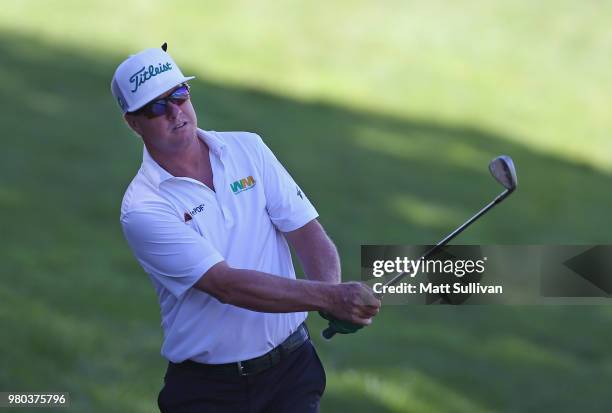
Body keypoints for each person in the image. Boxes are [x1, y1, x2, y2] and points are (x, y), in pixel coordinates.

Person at [111, 44, 381, 413]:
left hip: (292, 371)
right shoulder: (143, 208)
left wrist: (332, 293)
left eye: (179, 94)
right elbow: (226, 285)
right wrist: (330, 298)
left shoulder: (248, 149)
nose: (175, 111)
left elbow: (305, 230)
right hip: (209, 391)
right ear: (133, 123)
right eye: (157, 107)